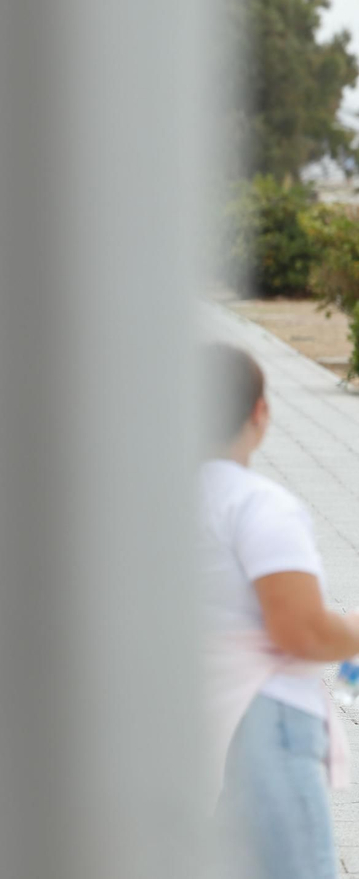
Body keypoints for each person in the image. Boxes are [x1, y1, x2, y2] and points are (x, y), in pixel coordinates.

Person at [200, 344, 358, 879]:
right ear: (260, 413)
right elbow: (302, 630)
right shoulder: (256, 505)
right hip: (264, 717)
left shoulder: (148, 503)